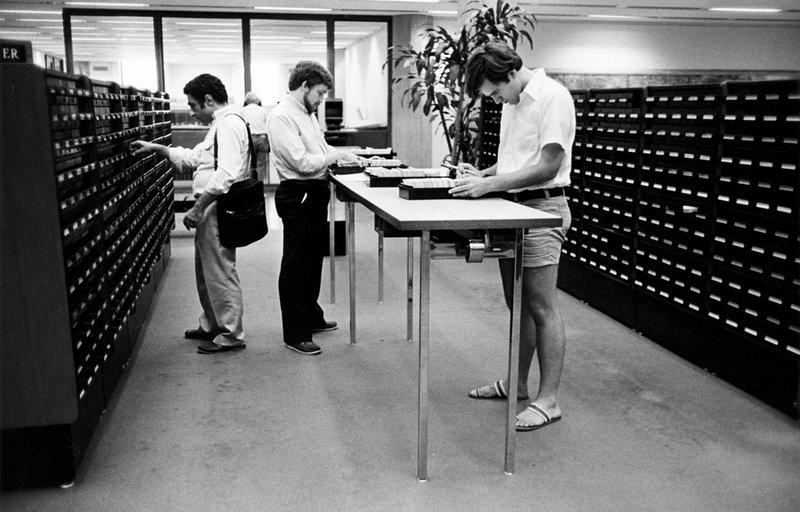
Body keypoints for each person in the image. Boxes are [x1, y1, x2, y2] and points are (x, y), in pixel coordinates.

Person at [449, 42, 575, 431]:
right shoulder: (513, 103)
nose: (495, 99)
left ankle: (548, 399)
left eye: (495, 90)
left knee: (541, 306)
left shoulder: (552, 97)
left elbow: (548, 165)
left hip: (543, 209)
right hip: (512, 209)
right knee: (517, 304)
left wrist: (493, 185)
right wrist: (486, 174)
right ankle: (517, 384)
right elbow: (516, 160)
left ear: (508, 74)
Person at [131, 73, 251, 355]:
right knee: (205, 270)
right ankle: (211, 324)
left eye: (194, 105)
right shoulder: (218, 124)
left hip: (216, 206)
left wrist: (199, 207)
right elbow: (194, 158)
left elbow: (225, 175)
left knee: (220, 270)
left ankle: (231, 333)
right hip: (211, 206)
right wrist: (157, 148)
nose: (193, 112)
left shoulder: (229, 125)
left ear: (209, 100)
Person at [267, 61, 362, 355]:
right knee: (297, 264)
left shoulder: (306, 114)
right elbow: (302, 163)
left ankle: (311, 315)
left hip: (315, 193)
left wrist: (339, 156)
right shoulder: (282, 117)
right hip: (299, 194)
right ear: (305, 86)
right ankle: (295, 334)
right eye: (319, 93)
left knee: (312, 260)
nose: (322, 100)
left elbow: (319, 151)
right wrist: (333, 155)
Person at [241, 91, 272, 183]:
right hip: (262, 138)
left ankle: (251, 188)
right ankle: (260, 189)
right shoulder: (264, 110)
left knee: (250, 164)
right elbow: (269, 126)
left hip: (249, 139)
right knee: (261, 165)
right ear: (257, 101)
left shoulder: (242, 111)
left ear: (246, 101)